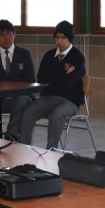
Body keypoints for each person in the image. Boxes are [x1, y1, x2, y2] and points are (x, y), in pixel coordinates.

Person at [11, 21, 84, 149]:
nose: (59, 41)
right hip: (48, 98)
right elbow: (41, 79)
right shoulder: (49, 55)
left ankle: (51, 150)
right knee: (28, 112)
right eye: (57, 37)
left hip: (70, 101)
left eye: (63, 38)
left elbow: (70, 83)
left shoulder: (78, 57)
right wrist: (64, 74)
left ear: (70, 39)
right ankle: (23, 148)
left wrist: (54, 79)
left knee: (56, 115)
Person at [0, 20, 36, 136]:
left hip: (20, 96)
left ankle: (12, 136)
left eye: (9, 34)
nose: (6, 38)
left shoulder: (25, 54)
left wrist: (15, 93)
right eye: (1, 35)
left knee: (21, 102)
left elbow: (31, 81)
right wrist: (2, 93)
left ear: (14, 35)